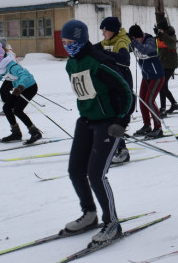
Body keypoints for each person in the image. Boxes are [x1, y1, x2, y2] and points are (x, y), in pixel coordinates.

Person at [60, 20, 133, 244]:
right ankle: (89, 214)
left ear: (81, 40)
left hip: (107, 123)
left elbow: (126, 91)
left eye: (71, 42)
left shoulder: (98, 61)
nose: (66, 46)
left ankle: (112, 223)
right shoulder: (71, 64)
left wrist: (122, 120)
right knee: (75, 170)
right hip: (86, 120)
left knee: (96, 174)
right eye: (64, 42)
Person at [0, 42, 43, 144]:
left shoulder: (12, 67)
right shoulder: (2, 66)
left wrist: (20, 87)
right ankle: (16, 133)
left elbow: (24, 76)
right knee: (7, 108)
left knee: (18, 110)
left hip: (29, 87)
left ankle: (35, 132)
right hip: (19, 88)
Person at [95, 16, 134, 162]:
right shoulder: (107, 41)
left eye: (105, 30)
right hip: (111, 82)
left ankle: (122, 150)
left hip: (122, 84)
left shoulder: (121, 41)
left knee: (115, 117)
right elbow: (94, 49)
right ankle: (113, 147)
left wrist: (104, 55)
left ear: (112, 30)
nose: (103, 33)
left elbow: (125, 59)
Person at [130, 24, 166, 139]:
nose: (136, 41)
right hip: (146, 76)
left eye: (136, 39)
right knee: (142, 101)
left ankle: (158, 127)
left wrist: (135, 43)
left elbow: (148, 51)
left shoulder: (150, 40)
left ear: (140, 36)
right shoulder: (137, 41)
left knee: (149, 101)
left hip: (157, 75)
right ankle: (147, 125)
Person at [155, 19, 178, 117]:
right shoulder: (161, 35)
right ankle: (174, 104)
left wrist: (161, 35)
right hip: (162, 63)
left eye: (160, 29)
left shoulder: (171, 33)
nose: (159, 31)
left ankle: (163, 108)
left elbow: (172, 43)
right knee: (163, 85)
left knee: (162, 85)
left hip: (170, 64)